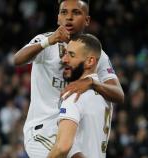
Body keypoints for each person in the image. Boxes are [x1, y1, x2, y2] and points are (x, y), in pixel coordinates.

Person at [13, 0, 124, 157]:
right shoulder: (45, 41)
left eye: (76, 13)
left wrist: (92, 83)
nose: (69, 17)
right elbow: (17, 60)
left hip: (72, 131)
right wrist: (48, 41)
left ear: (87, 20)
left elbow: (118, 94)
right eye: (64, 12)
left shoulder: (96, 54)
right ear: (58, 18)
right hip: (42, 131)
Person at [48, 34, 112, 158]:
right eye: (65, 53)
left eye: (71, 55)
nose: (64, 59)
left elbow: (62, 147)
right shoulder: (105, 95)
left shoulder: (74, 95)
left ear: (90, 61)